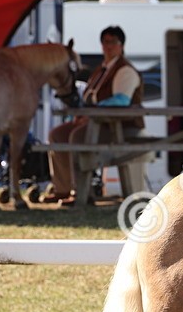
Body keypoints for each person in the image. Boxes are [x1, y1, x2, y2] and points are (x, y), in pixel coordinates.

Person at [44, 25, 143, 204]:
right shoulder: (101, 69)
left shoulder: (125, 70)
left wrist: (90, 113)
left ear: (121, 45)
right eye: (105, 42)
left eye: (113, 42)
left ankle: (82, 192)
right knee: (57, 135)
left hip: (120, 128)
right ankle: (62, 189)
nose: (108, 46)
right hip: (96, 123)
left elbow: (121, 101)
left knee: (77, 137)